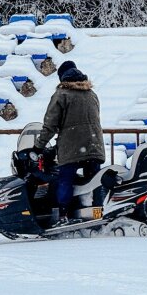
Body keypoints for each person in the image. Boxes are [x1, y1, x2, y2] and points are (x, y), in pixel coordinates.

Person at [34, 60, 105, 227]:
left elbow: (50, 124)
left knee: (65, 179)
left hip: (72, 147)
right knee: (95, 180)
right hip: (94, 145)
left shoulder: (62, 95)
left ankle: (63, 215)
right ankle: (99, 212)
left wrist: (39, 146)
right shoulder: (91, 93)